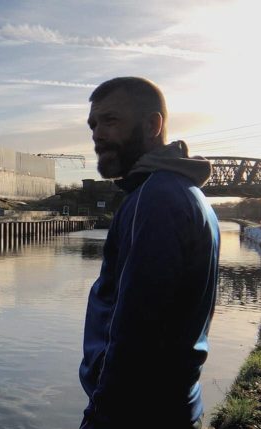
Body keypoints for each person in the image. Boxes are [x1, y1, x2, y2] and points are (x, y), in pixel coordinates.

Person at [79, 77, 220, 428]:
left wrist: (100, 418)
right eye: (93, 125)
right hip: (173, 407)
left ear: (153, 125)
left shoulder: (155, 200)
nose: (97, 134)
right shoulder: (182, 193)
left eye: (110, 121)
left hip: (138, 415)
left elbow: (136, 331)